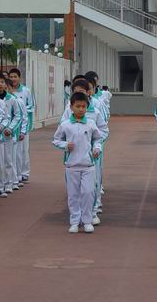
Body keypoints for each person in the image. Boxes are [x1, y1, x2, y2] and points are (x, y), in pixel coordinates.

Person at [52, 92, 103, 234]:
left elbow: (98, 139)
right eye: (78, 106)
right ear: (71, 107)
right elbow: (56, 140)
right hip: (72, 165)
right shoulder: (65, 125)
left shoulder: (91, 124)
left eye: (83, 106)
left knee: (88, 192)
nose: (81, 109)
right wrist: (65, 145)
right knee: (73, 194)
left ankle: (87, 221)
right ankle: (75, 221)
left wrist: (97, 149)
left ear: (87, 107)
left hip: (88, 165)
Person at [9, 68, 34, 184]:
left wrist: (20, 109)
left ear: (19, 78)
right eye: (11, 77)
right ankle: (16, 175)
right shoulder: (8, 91)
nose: (13, 79)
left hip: (24, 126)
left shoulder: (26, 91)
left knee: (23, 151)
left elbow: (31, 106)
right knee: (15, 153)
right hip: (11, 126)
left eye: (15, 76)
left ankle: (25, 173)